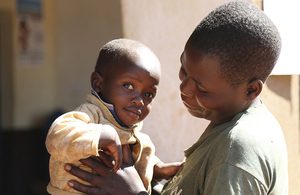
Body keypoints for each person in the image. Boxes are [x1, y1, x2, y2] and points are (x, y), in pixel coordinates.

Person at [64, 1, 288, 194]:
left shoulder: (237, 149)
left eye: (202, 88)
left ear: (251, 90)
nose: (185, 88)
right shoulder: (228, 124)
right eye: (184, 70)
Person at [45, 38, 183, 195]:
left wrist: (158, 169)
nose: (139, 101)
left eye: (148, 94)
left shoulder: (134, 133)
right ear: (98, 83)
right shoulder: (91, 115)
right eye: (128, 86)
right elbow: (55, 138)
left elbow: (139, 160)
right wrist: (103, 134)